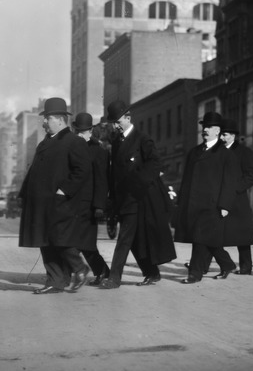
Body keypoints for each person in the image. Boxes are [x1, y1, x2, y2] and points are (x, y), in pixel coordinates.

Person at [99, 100, 175, 289]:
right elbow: (114, 174)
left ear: (128, 117)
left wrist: (137, 182)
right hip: (124, 199)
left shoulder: (142, 138)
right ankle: (152, 273)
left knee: (125, 238)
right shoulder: (116, 143)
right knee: (135, 240)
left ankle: (114, 278)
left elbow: (155, 163)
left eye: (118, 121)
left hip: (140, 198)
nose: (116, 125)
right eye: (113, 122)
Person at [19, 99, 91, 294]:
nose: (44, 122)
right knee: (45, 241)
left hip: (61, 202)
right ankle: (55, 281)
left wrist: (64, 190)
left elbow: (82, 170)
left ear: (60, 119)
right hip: (41, 202)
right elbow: (34, 170)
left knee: (60, 239)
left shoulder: (74, 141)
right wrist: (24, 194)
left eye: (47, 118)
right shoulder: (46, 142)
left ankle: (80, 268)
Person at [174, 112, 239, 284]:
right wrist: (181, 203)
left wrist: (225, 205)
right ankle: (228, 264)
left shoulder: (226, 154)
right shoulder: (194, 152)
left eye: (210, 127)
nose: (205, 130)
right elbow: (186, 180)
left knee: (200, 238)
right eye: (204, 127)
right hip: (194, 203)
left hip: (213, 205)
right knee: (207, 238)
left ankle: (195, 274)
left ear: (218, 131)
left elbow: (230, 182)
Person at [201, 118, 253, 275]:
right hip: (218, 199)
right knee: (211, 232)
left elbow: (252, 175)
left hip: (237, 200)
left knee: (242, 236)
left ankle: (246, 267)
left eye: (225, 135)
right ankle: (202, 265)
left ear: (233, 136)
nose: (222, 138)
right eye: (221, 135)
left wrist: (235, 188)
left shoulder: (244, 152)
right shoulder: (216, 152)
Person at [71, 113, 111, 286]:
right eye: (77, 131)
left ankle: (102, 271)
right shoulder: (72, 147)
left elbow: (102, 180)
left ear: (90, 131)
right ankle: (97, 271)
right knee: (74, 241)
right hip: (73, 204)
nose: (80, 135)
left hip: (89, 205)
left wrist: (99, 206)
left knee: (86, 244)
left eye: (84, 131)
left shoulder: (98, 151)